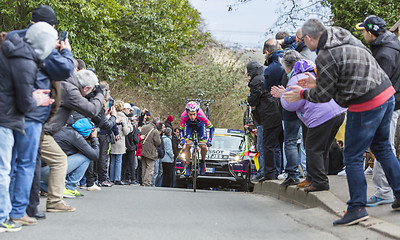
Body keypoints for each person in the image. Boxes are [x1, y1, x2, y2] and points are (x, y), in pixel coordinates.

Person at [283, 18, 400, 226]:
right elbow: (345, 70)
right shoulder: (341, 33)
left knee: (352, 156)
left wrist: (302, 93)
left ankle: (356, 208)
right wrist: (317, 82)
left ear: (309, 38)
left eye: (304, 40)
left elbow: (323, 96)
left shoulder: (326, 55)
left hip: (365, 101)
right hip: (387, 93)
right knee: (383, 147)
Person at [0, 22, 56, 232]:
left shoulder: (13, 51)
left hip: (7, 115)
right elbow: (24, 102)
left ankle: (7, 213)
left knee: (8, 167)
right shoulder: (26, 62)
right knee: (5, 169)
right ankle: (4, 216)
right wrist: (37, 100)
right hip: (6, 117)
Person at [275, 50, 346, 191]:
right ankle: (314, 178)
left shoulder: (296, 78)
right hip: (338, 112)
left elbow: (291, 104)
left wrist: (283, 95)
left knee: (313, 148)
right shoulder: (315, 72)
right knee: (322, 149)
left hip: (320, 116)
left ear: (289, 68)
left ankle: (319, 182)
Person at [42, 69, 104, 212]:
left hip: (41, 129)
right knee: (59, 161)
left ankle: (29, 204)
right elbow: (92, 110)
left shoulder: (64, 82)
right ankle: (54, 201)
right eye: (91, 90)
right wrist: (99, 94)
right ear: (86, 88)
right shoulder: (71, 91)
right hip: (42, 131)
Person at [356, 15, 400, 207]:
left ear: (371, 32)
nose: (363, 34)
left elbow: (377, 84)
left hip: (386, 104)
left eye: (364, 30)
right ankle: (388, 190)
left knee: (384, 147)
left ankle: (384, 191)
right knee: (384, 147)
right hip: (393, 102)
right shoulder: (388, 46)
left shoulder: (384, 54)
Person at [41, 118, 99, 198]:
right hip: (49, 170)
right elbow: (94, 155)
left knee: (55, 187)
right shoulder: (76, 136)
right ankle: (70, 188)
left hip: (38, 170)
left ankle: (42, 188)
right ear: (86, 133)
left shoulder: (63, 129)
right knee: (85, 157)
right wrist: (94, 138)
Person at [247, 61, 282, 181]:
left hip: (267, 116)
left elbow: (252, 100)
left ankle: (267, 173)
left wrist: (249, 97)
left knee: (265, 146)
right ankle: (277, 171)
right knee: (276, 146)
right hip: (277, 113)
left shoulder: (256, 81)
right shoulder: (267, 76)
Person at [179, 101, 215, 176]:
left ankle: (203, 162)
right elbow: (181, 129)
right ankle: (188, 165)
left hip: (200, 126)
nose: (192, 117)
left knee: (203, 146)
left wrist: (210, 140)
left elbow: (211, 127)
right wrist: (182, 139)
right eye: (190, 114)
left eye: (194, 114)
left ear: (197, 112)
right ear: (187, 112)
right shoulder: (183, 116)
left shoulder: (201, 115)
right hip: (189, 126)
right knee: (188, 145)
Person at [110, 101, 133, 185]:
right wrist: (130, 126)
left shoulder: (113, 115)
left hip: (113, 139)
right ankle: (117, 178)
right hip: (120, 140)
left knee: (112, 160)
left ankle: (111, 177)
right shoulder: (124, 118)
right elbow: (126, 132)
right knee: (119, 160)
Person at [140, 117, 162, 186]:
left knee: (144, 167)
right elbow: (158, 142)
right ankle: (146, 182)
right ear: (157, 123)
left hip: (143, 150)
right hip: (151, 152)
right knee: (150, 168)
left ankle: (143, 181)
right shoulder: (155, 131)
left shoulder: (144, 127)